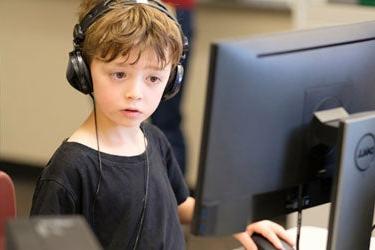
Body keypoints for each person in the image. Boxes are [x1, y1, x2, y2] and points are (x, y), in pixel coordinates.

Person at [30, 1, 295, 249]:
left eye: (154, 78)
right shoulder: (70, 169)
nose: (135, 92)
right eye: (119, 74)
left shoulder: (153, 139)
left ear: (171, 82)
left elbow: (179, 205)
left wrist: (238, 222)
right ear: (83, 72)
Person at [151, 0, 196, 174]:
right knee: (113, 122)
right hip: (113, 11)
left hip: (170, 10)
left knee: (166, 122)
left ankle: (175, 198)